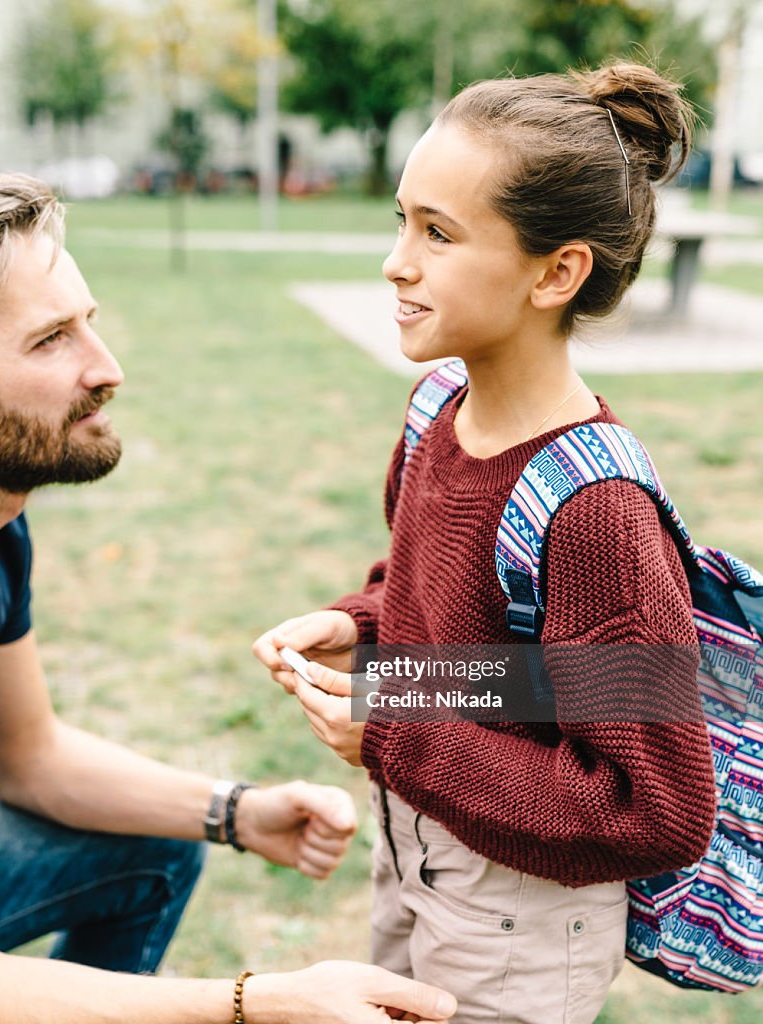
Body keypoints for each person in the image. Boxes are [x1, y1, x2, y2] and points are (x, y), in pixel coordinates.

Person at [0, 175, 458, 1024]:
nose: (106, 369)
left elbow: (29, 759)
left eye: (90, 321)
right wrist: (254, 1002)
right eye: (50, 341)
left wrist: (237, 813)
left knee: (161, 841)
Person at [253, 62, 717, 1024]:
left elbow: (656, 807)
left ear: (557, 272)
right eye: (401, 220)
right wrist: (361, 628)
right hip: (415, 841)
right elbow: (486, 657)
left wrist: (396, 732)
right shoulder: (434, 414)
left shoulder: (597, 515)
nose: (396, 261)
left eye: (439, 234)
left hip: (521, 922)